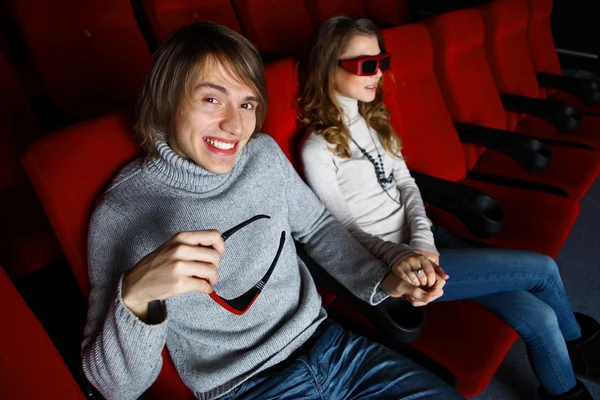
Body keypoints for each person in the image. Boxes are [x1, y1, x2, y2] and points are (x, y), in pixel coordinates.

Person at [81, 21, 465, 400]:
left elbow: (316, 227)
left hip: (334, 346)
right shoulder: (122, 211)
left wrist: (384, 279)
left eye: (246, 104)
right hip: (246, 387)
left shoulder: (262, 155)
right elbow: (118, 388)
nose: (235, 125)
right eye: (212, 99)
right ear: (166, 99)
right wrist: (136, 295)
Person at [298, 16, 600, 400]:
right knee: (542, 268)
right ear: (328, 66)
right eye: (365, 65)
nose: (378, 73)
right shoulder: (317, 149)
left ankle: (571, 380)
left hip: (428, 243)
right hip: (399, 266)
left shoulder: (374, 122)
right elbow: (342, 230)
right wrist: (411, 254)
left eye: (382, 61)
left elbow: (408, 187)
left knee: (539, 317)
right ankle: (585, 346)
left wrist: (424, 239)